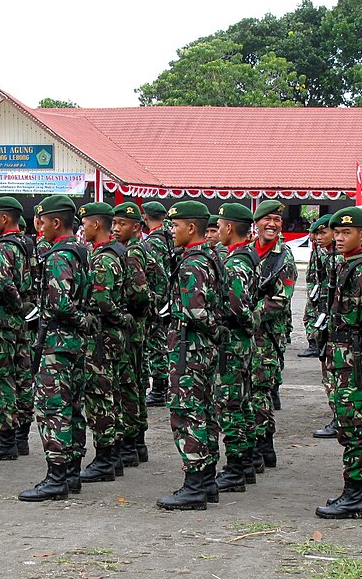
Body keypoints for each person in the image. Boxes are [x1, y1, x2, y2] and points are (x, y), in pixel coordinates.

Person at [19, 195, 91, 502]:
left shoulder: (59, 255)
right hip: (72, 344)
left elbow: (60, 303)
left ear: (56, 222)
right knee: (73, 409)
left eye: (43, 221)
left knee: (53, 410)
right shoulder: (80, 251)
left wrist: (77, 320)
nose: (40, 227)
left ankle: (57, 476)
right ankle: (71, 472)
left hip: (57, 343)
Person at [315, 206, 362, 520]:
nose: (339, 238)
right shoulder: (346, 265)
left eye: (346, 232)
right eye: (337, 232)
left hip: (354, 357)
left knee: (354, 424)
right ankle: (359, 492)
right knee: (348, 422)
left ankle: (356, 493)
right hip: (344, 354)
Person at [156, 200, 221, 510]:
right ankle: (206, 480)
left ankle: (194, 485)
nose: (172, 231)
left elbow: (195, 310)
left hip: (189, 348)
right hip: (201, 347)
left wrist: (209, 328)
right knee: (204, 412)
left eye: (176, 226)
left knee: (186, 413)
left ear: (191, 228)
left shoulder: (192, 262)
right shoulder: (207, 257)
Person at [77, 202, 128, 483]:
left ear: (96, 225)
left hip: (101, 337)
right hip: (111, 335)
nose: (82, 229)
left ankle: (105, 458)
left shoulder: (103, 258)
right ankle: (114, 455)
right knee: (112, 393)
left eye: (85, 223)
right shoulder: (116, 253)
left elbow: (101, 301)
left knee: (99, 397)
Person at [212, 203, 260, 493]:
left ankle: (236, 468)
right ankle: (244, 464)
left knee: (230, 405)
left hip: (233, 342)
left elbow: (236, 305)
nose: (216, 231)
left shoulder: (235, 264)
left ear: (229, 228)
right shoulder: (244, 257)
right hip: (240, 342)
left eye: (219, 225)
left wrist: (242, 321)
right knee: (242, 403)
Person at [250, 200, 296, 471]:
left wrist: (248, 315)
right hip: (247, 335)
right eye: (267, 219)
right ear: (256, 223)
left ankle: (263, 445)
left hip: (267, 334)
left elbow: (281, 299)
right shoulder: (248, 252)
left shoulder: (284, 256)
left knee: (260, 391)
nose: (272, 224)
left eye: (277, 220)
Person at [0, 196, 34, 461]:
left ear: (5, 219)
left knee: (2, 376)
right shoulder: (25, 245)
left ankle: (7, 438)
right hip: (20, 320)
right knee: (23, 375)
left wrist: (15, 305)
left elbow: (4, 283)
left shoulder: (3, 247)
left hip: (5, 318)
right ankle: (21, 436)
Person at [111, 203, 153, 468]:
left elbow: (139, 292)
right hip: (136, 328)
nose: (116, 228)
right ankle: (136, 443)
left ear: (136, 227)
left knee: (128, 386)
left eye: (122, 224)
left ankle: (131, 444)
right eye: (114, 223)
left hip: (131, 329)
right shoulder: (136, 249)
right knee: (133, 384)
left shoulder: (132, 252)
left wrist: (129, 312)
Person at [309, 215, 339, 441]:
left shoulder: (340, 259)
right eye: (317, 234)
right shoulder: (324, 256)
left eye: (324, 233)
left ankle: (341, 418)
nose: (320, 238)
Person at [142, 201, 173, 408]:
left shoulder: (153, 242)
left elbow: (157, 273)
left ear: (145, 217)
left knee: (155, 345)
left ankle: (160, 389)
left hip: (158, 299)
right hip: (170, 298)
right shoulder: (171, 237)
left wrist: (155, 299)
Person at [300, 221, 325, 358]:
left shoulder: (326, 252)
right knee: (310, 315)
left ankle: (315, 345)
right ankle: (314, 344)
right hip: (315, 290)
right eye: (314, 233)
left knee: (313, 316)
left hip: (322, 293)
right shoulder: (317, 249)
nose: (314, 236)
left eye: (320, 233)